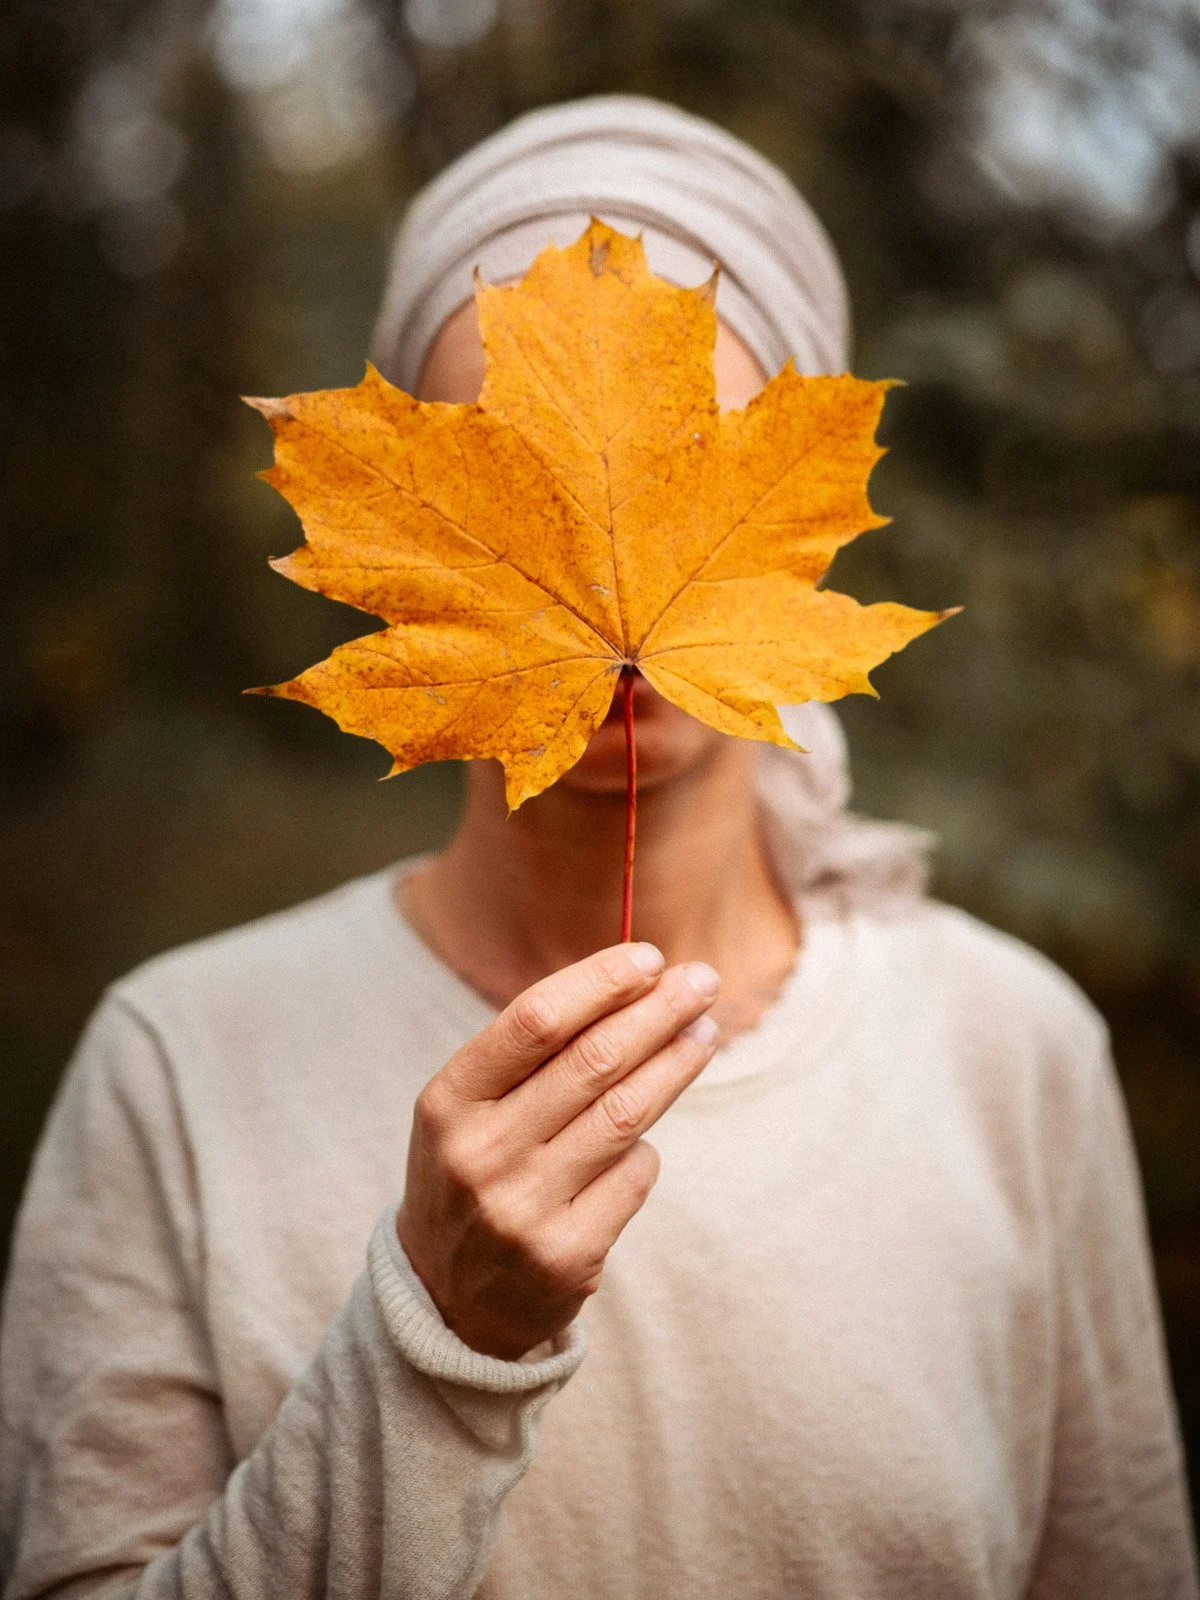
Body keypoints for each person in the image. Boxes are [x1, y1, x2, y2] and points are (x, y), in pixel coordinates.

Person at [1, 95, 1195, 1600]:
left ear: (810, 527)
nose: (614, 628)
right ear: (399, 562)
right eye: (514, 487)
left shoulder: (1014, 1054)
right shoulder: (176, 1058)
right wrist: (434, 1347)